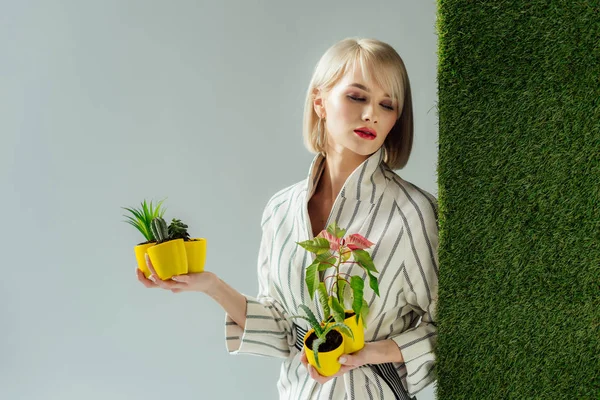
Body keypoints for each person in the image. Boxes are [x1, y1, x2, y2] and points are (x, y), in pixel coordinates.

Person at [137, 37, 439, 400]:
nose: (371, 113)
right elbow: (284, 327)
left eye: (387, 105)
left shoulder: (413, 213)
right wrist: (210, 285)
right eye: (357, 97)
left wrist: (373, 353)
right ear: (320, 102)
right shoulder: (280, 210)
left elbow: (452, 328)